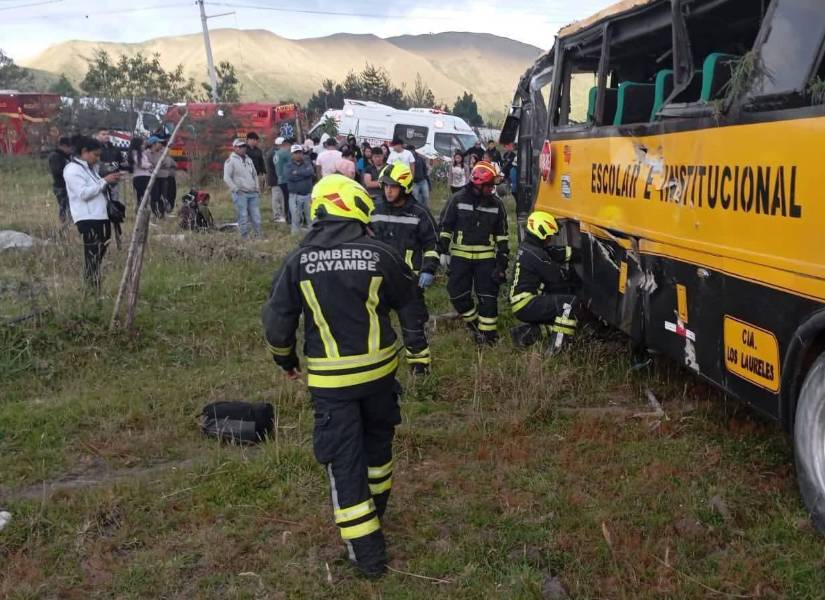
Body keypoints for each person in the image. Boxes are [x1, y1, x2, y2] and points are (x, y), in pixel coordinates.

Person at [262, 174, 415, 579]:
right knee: (378, 449)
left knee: (344, 463)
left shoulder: (298, 261)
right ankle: (377, 513)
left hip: (332, 387)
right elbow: (410, 301)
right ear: (353, 208)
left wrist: (285, 360)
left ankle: (366, 555)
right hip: (381, 377)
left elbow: (278, 321)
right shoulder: (380, 254)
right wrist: (417, 348)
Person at [371, 163, 439, 374]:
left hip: (408, 282)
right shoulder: (374, 209)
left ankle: (420, 371)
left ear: (405, 187)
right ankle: (380, 370)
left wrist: (428, 269)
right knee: (376, 327)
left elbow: (433, 245)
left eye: (393, 187)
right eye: (385, 186)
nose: (388, 191)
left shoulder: (419, 213)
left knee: (413, 328)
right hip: (378, 280)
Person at [438, 160, 509, 345]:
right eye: (489, 185)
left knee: (488, 298)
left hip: (486, 259)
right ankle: (475, 324)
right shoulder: (458, 199)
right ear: (478, 184)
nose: (492, 189)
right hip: (460, 258)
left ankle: (488, 338)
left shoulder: (496, 205)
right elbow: (446, 226)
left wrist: (502, 262)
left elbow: (502, 236)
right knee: (456, 294)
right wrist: (443, 250)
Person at [509, 211, 578, 349]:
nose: (550, 239)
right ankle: (558, 348)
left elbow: (553, 252)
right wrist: (576, 278)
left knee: (559, 320)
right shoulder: (538, 255)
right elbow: (558, 277)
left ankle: (523, 334)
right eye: (549, 236)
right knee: (569, 304)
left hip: (521, 303)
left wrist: (576, 253)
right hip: (527, 304)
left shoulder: (529, 248)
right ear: (541, 233)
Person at [64, 135, 121, 291]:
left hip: (100, 217)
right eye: (95, 155)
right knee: (92, 256)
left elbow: (97, 188)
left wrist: (109, 182)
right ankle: (90, 289)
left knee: (98, 256)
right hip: (88, 219)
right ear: (84, 151)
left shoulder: (89, 169)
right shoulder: (72, 170)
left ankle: (94, 286)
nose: (97, 158)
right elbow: (83, 193)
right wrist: (104, 181)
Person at [223, 138, 263, 239]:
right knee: (243, 216)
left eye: (244, 146)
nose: (243, 148)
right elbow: (226, 177)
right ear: (235, 148)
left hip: (253, 193)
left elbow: (255, 175)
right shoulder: (230, 161)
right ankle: (244, 238)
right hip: (241, 194)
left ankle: (258, 236)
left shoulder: (249, 160)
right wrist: (235, 189)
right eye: (240, 147)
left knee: (256, 216)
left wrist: (257, 188)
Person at [285, 144, 315, 234]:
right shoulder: (288, 165)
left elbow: (311, 172)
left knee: (310, 216)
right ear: (292, 154)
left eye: (299, 152)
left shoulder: (307, 163)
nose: (298, 154)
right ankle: (295, 235)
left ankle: (312, 234)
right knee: (296, 216)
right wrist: (304, 175)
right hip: (295, 195)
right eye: (295, 153)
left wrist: (297, 173)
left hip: (307, 194)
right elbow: (290, 177)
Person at [95, 128, 125, 205]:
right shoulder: (94, 148)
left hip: (114, 179)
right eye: (103, 134)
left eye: (108, 134)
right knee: (102, 201)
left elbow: (121, 163)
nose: (106, 136)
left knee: (115, 201)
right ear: (97, 136)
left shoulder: (114, 148)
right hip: (100, 179)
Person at [48, 136, 73, 224]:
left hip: (69, 186)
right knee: (64, 207)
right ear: (63, 146)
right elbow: (56, 171)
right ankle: (63, 225)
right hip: (61, 186)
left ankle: (70, 224)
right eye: (69, 147)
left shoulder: (68, 156)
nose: (71, 149)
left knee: (71, 208)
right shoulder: (55, 156)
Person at [127, 136, 152, 214]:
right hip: (139, 178)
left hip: (146, 176)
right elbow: (142, 164)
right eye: (142, 144)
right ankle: (140, 211)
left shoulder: (142, 154)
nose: (144, 146)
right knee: (141, 196)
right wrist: (149, 165)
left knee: (146, 196)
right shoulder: (135, 154)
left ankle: (144, 210)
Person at [145, 136, 167, 218]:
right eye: (158, 142)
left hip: (162, 177)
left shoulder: (162, 152)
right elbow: (147, 166)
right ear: (153, 144)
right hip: (152, 178)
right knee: (155, 196)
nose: (160, 144)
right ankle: (155, 212)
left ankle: (162, 213)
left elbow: (165, 163)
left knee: (163, 195)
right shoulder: (146, 153)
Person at [264, 138, 285, 222]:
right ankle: (277, 216)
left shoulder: (273, 152)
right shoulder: (274, 153)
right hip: (275, 179)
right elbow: (276, 167)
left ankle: (280, 215)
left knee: (280, 197)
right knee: (277, 198)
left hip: (277, 178)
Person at [274, 137, 292, 224]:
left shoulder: (276, 154)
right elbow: (292, 163)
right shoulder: (285, 153)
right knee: (289, 199)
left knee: (285, 198)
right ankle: (289, 218)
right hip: (287, 179)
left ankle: (287, 217)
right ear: (285, 144)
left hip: (280, 179)